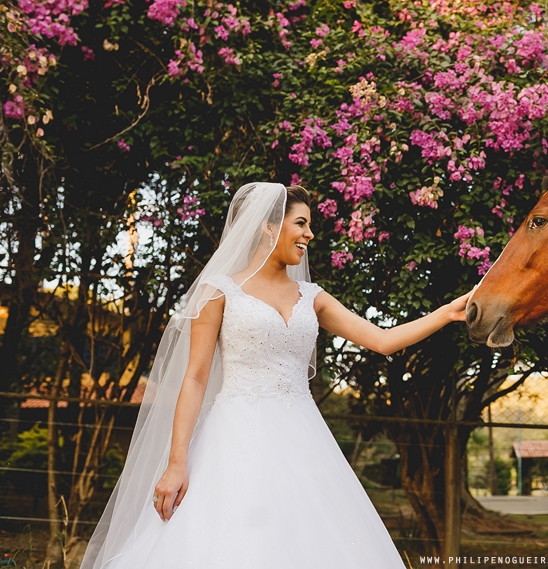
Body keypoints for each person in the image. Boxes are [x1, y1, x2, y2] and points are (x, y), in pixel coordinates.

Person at [81, 182, 469, 569]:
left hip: (304, 439)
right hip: (234, 438)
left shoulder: (312, 297)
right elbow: (195, 378)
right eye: (301, 223)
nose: (309, 234)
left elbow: (383, 341)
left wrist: (447, 312)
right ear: (268, 227)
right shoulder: (218, 292)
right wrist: (177, 462)